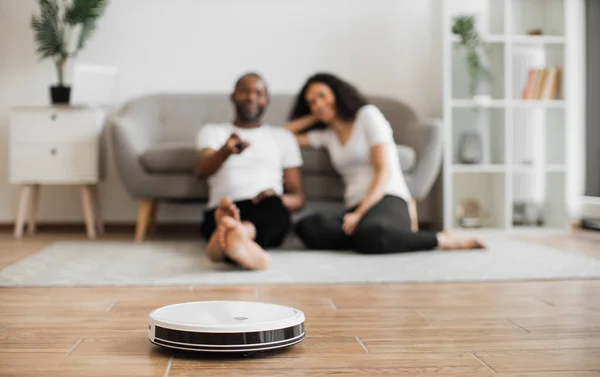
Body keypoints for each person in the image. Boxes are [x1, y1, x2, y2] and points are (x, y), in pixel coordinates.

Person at [285, 72, 485, 253]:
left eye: (322, 95)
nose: (318, 103)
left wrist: (361, 212)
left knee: (376, 234)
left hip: (386, 199)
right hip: (354, 207)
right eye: (311, 102)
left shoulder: (367, 116)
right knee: (308, 227)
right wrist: (314, 115)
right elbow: (282, 134)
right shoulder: (327, 136)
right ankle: (382, 236)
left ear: (337, 93)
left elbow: (383, 170)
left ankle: (441, 240)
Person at [195, 72, 305, 270]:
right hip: (226, 206)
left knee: (276, 209)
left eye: (258, 93)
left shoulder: (283, 137)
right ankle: (235, 236)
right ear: (233, 97)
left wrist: (278, 197)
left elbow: (298, 198)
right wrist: (226, 151)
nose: (251, 97)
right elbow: (202, 170)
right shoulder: (213, 131)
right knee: (222, 215)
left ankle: (232, 236)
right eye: (245, 91)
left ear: (267, 99)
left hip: (267, 207)